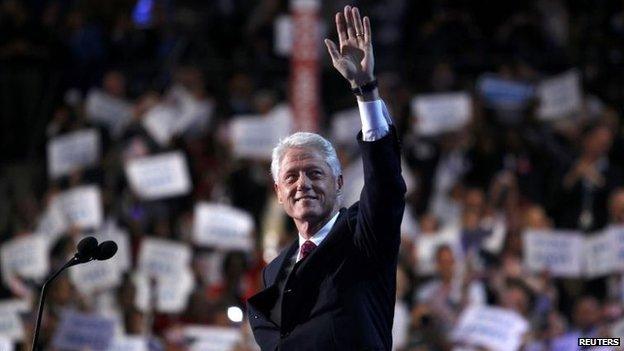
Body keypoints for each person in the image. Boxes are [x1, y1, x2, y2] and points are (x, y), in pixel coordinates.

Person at [246, 6, 406, 350]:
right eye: (291, 176)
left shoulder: (363, 234)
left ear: (337, 182)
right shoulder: (273, 272)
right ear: (278, 192)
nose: (302, 183)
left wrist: (366, 90)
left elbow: (387, 186)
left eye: (314, 173)